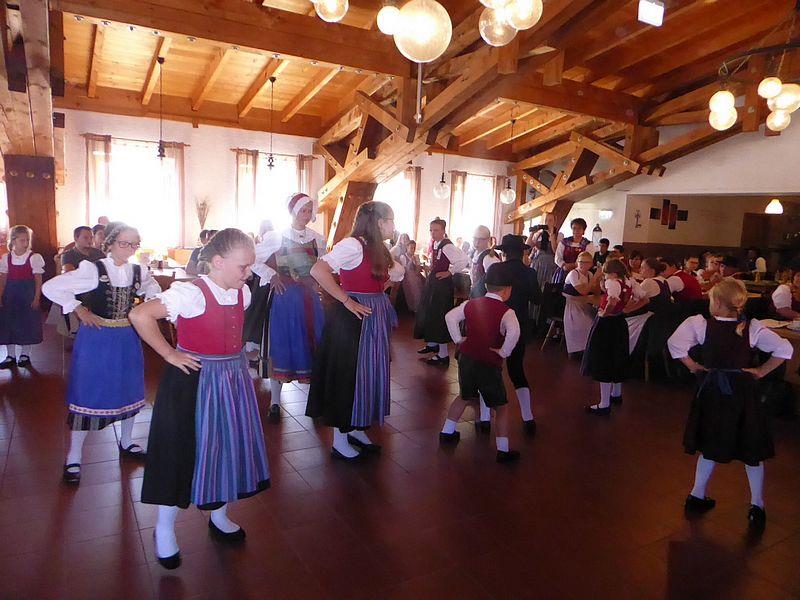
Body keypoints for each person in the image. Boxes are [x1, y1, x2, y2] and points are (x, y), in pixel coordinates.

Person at [131, 228, 270, 569]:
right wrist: (169, 353)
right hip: (193, 380)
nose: (248, 273)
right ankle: (165, 528)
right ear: (218, 262)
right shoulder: (191, 293)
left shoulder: (242, 293)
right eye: (243, 266)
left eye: (250, 266)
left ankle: (218, 515)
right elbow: (140, 315)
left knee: (226, 446)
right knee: (179, 451)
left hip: (231, 379)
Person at [667, 278, 792, 532]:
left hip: (712, 391)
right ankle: (757, 505)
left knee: (710, 441)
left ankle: (697, 495)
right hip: (742, 392)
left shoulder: (700, 325)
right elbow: (784, 349)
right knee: (750, 447)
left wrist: (693, 367)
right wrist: (760, 371)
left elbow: (675, 344)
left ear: (717, 303)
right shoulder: (752, 328)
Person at [42, 223, 161, 483]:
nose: (130, 248)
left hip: (127, 337)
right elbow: (50, 287)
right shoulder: (93, 269)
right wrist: (78, 308)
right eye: (124, 243)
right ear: (110, 243)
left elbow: (154, 289)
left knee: (129, 387)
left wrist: (149, 303)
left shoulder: (138, 271)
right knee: (88, 390)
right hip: (96, 338)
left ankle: (127, 442)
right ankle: (73, 456)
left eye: (134, 244)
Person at [306, 201, 404, 460]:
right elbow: (318, 270)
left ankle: (357, 429)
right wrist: (347, 300)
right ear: (380, 222)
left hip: (373, 316)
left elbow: (394, 275)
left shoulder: (377, 247)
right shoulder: (353, 245)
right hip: (352, 319)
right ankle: (340, 440)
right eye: (391, 220)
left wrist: (378, 292)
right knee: (348, 375)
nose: (393, 225)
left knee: (368, 375)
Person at [440, 262, 521, 463]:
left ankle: (447, 432)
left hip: (467, 358)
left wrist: (458, 339)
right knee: (501, 407)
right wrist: (504, 351)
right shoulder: (507, 312)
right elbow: (514, 332)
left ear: (486, 286)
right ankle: (503, 450)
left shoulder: (470, 304)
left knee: (464, 396)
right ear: (507, 289)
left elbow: (450, 317)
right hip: (488, 363)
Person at [256, 193, 325, 418]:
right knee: (282, 345)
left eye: (309, 210)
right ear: (293, 211)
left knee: (312, 344)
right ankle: (275, 402)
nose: (306, 214)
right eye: (303, 210)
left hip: (310, 299)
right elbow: (253, 258)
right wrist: (272, 275)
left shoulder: (317, 238)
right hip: (285, 299)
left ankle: (315, 402)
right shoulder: (277, 237)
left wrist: (318, 281)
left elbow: (323, 266)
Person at [495, 234, 541, 435]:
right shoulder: (529, 273)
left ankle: (485, 419)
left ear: (504, 252)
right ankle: (528, 417)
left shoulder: (496, 269)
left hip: (495, 323)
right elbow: (537, 299)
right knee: (516, 370)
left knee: (490, 369)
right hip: (519, 325)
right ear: (522, 253)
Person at [581, 259, 637, 415]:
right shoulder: (629, 282)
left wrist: (605, 313)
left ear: (612, 273)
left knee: (604, 360)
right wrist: (626, 309)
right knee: (617, 356)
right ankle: (616, 394)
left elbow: (611, 301)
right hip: (620, 322)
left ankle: (604, 403)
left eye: (605, 274)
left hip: (607, 324)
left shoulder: (612, 283)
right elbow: (643, 299)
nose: (605, 277)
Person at [414, 217, 469, 366]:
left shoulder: (447, 246)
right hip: (435, 284)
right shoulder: (437, 244)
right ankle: (432, 344)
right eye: (431, 230)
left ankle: (443, 355)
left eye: (436, 230)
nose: (433, 233)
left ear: (443, 231)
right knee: (431, 313)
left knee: (439, 316)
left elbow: (464, 260)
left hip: (442, 286)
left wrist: (449, 272)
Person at [0, 225, 44, 369]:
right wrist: (0, 295)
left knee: (27, 323)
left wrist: (36, 297)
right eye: (22, 240)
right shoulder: (6, 258)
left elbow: (38, 280)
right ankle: (10, 355)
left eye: (27, 240)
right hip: (10, 295)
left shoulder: (34, 258)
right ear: (13, 241)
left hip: (27, 295)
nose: (25, 243)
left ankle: (25, 354)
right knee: (8, 324)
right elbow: (3, 279)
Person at [563, 251, 601, 355]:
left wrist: (597, 279)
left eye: (586, 262)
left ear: (591, 264)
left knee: (595, 320)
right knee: (585, 323)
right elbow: (583, 291)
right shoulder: (573, 274)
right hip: (572, 305)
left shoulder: (589, 274)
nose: (583, 264)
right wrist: (595, 277)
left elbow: (596, 293)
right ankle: (578, 350)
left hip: (584, 304)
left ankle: (588, 349)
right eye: (581, 262)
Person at [554, 218, 594, 284]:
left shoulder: (588, 244)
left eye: (579, 228)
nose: (576, 231)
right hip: (563, 272)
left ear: (583, 230)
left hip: (581, 273)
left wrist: (575, 266)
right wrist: (564, 265)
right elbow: (557, 258)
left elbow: (589, 259)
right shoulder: (564, 242)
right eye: (574, 228)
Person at [469, 225, 500, 298]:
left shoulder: (489, 258)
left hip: (484, 297)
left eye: (481, 239)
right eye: (475, 239)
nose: (477, 242)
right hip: (476, 294)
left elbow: (495, 282)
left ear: (488, 239)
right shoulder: (475, 253)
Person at [399, 240, 424, 312]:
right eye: (411, 248)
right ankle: (414, 307)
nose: (413, 250)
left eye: (414, 248)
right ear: (407, 247)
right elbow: (405, 269)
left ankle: (421, 306)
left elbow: (417, 270)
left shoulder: (415, 256)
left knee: (422, 283)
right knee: (414, 287)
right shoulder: (403, 256)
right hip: (407, 276)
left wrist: (417, 262)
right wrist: (411, 261)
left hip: (415, 275)